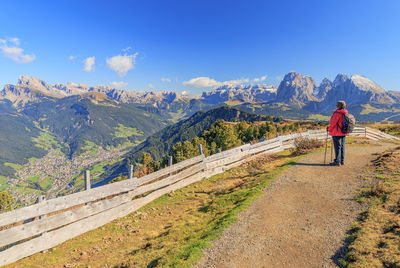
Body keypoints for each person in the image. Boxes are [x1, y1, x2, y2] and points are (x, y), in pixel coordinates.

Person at [327, 101, 348, 166]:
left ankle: (337, 161)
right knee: (342, 146)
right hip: (343, 132)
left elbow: (332, 123)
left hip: (336, 133)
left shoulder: (337, 113)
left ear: (338, 106)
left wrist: (329, 129)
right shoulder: (345, 112)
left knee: (337, 147)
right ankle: (341, 160)